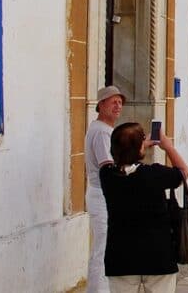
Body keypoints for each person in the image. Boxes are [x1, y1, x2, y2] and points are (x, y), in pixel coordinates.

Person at [100, 122, 188, 293]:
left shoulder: (106, 175)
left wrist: (137, 145)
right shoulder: (154, 174)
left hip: (121, 257)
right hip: (158, 255)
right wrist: (168, 147)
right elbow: (183, 172)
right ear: (139, 150)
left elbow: (121, 161)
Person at [85, 85, 123, 293]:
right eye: (113, 102)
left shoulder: (106, 130)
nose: (118, 106)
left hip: (103, 195)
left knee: (104, 247)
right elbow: (107, 167)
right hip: (102, 195)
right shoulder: (101, 132)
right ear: (101, 105)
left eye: (120, 102)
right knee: (103, 249)